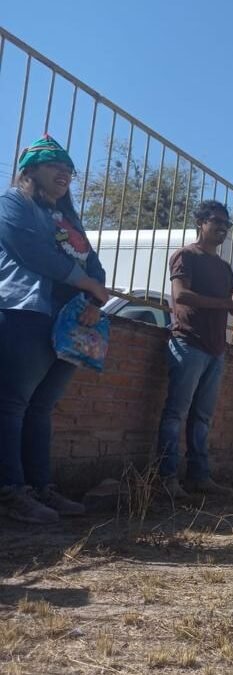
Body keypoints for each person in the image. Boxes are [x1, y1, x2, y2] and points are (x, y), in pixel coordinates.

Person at [0, 134, 109, 523]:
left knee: (42, 407)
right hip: (26, 311)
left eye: (69, 170)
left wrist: (95, 300)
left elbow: (94, 266)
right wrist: (88, 285)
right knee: (12, 404)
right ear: (30, 170)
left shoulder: (68, 219)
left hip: (70, 322)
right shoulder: (12, 204)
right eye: (54, 166)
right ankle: (10, 491)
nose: (64, 174)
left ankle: (40, 488)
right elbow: (33, 252)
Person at [157, 200, 233, 499]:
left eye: (227, 224)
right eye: (216, 221)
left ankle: (199, 477)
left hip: (215, 348)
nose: (222, 227)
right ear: (201, 223)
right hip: (188, 342)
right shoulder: (186, 255)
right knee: (176, 413)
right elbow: (181, 295)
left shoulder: (223, 267)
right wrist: (227, 303)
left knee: (203, 417)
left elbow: (231, 303)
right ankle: (166, 480)